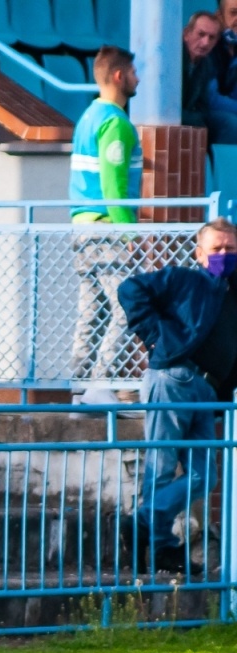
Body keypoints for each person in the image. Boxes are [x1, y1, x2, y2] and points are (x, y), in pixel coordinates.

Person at [117, 217, 237, 575]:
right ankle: (161, 549)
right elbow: (130, 289)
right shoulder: (183, 280)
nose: (224, 254)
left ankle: (141, 523)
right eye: (217, 248)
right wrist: (158, 339)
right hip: (174, 378)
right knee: (162, 465)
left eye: (231, 248)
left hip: (209, 391)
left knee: (205, 477)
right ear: (200, 254)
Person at [69, 47, 142, 406]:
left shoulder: (87, 117)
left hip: (82, 226)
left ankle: (79, 387)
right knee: (128, 305)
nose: (138, 77)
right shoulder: (115, 122)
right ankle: (102, 382)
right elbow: (114, 185)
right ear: (118, 76)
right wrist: (130, 234)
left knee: (93, 308)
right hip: (106, 227)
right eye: (133, 71)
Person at [185, 12, 224, 139]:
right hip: (162, 117)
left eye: (211, 37)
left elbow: (203, 105)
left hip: (189, 117)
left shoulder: (206, 64)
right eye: (201, 34)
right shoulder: (173, 58)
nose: (205, 43)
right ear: (186, 34)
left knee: (228, 123)